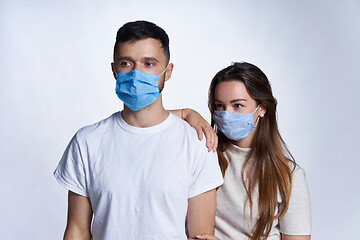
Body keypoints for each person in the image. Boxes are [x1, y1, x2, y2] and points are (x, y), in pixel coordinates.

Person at [53, 20, 223, 240]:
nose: (136, 73)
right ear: (114, 69)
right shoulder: (87, 142)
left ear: (168, 71)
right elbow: (77, 230)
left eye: (149, 63)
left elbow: (200, 235)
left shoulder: (197, 143)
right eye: (126, 63)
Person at [181, 62, 311, 240]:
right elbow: (142, 122)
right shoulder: (203, 153)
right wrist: (186, 113)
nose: (226, 114)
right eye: (219, 106)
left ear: (262, 108)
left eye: (238, 105)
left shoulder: (288, 175)